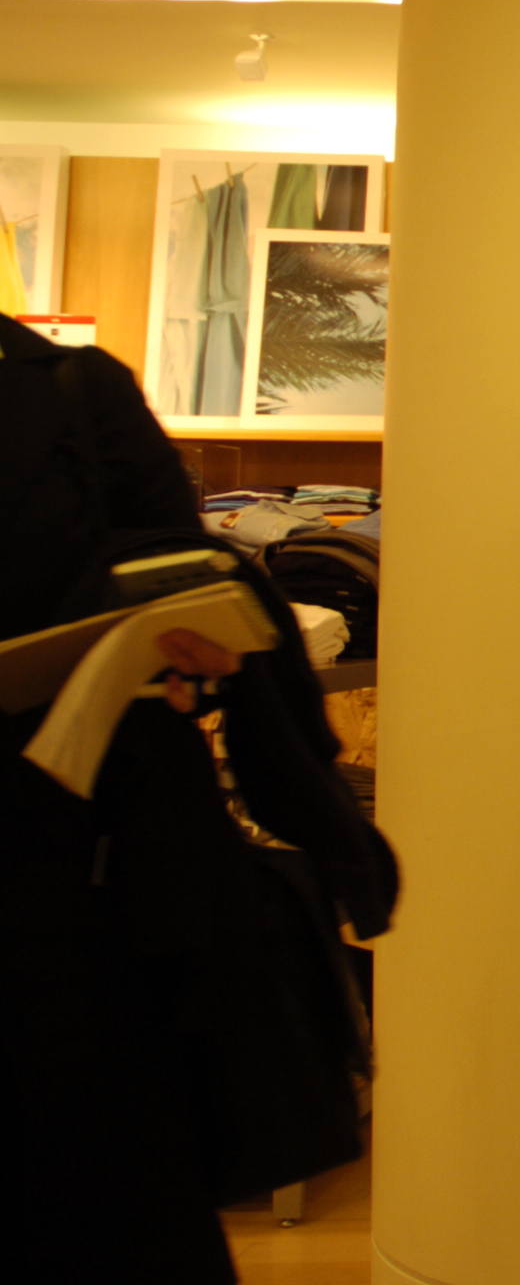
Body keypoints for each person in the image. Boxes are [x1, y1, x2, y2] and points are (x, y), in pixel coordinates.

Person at [2, 312, 396, 1285]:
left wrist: (192, 652)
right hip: (72, 889)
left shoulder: (69, 392)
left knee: (103, 1195)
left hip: (72, 892)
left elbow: (189, 592)